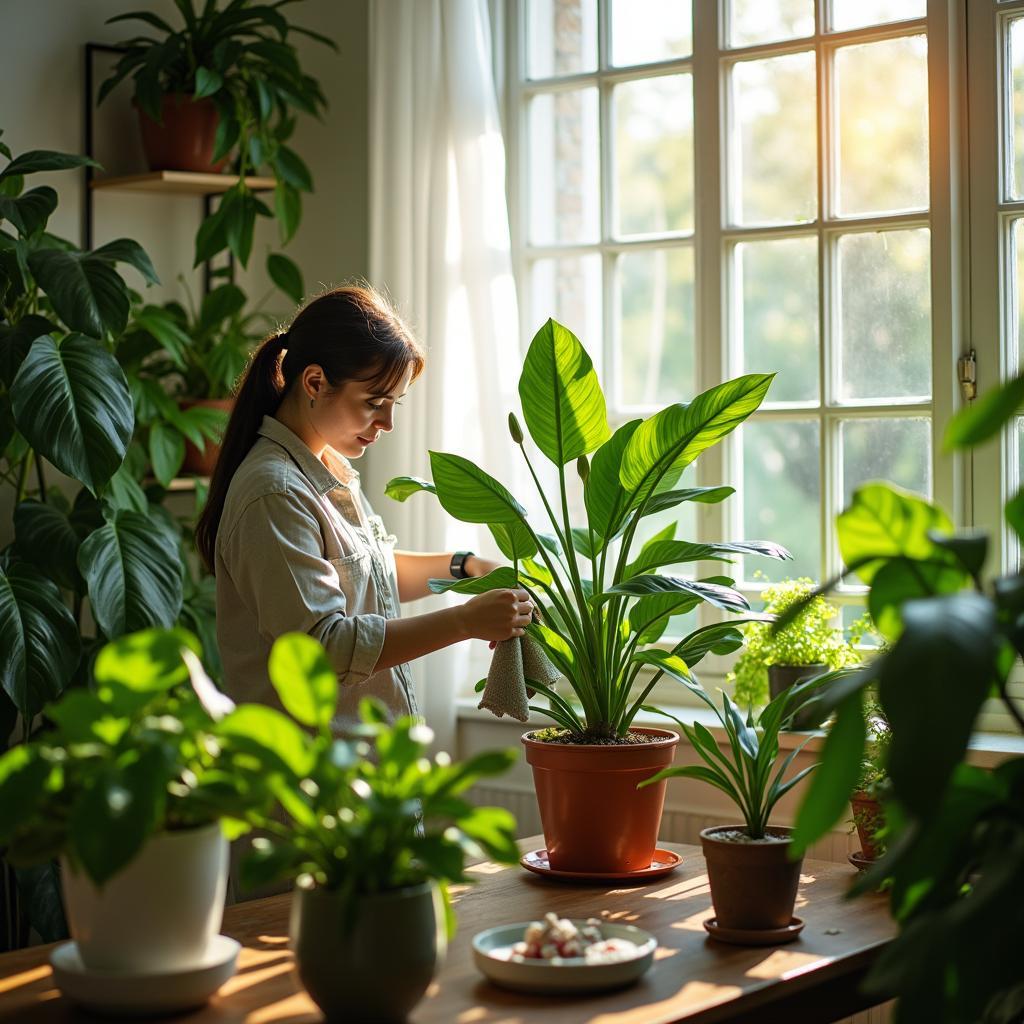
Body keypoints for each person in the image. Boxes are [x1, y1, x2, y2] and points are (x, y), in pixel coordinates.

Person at [195, 284, 533, 732]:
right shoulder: (273, 493)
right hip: (311, 783)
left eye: (394, 404)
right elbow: (325, 648)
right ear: (314, 383)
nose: (388, 423)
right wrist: (466, 621)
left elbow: (368, 574)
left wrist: (463, 567)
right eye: (375, 403)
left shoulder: (325, 464)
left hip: (363, 774)